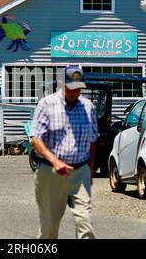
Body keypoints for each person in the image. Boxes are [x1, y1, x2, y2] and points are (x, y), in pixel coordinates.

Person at [31, 66, 97, 239]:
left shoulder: (88, 107)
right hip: (51, 172)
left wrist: (89, 172)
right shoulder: (46, 104)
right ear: (62, 84)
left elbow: (91, 143)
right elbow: (35, 139)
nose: (75, 92)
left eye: (79, 88)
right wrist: (55, 161)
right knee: (50, 225)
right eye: (71, 88)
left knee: (86, 223)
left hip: (80, 171)